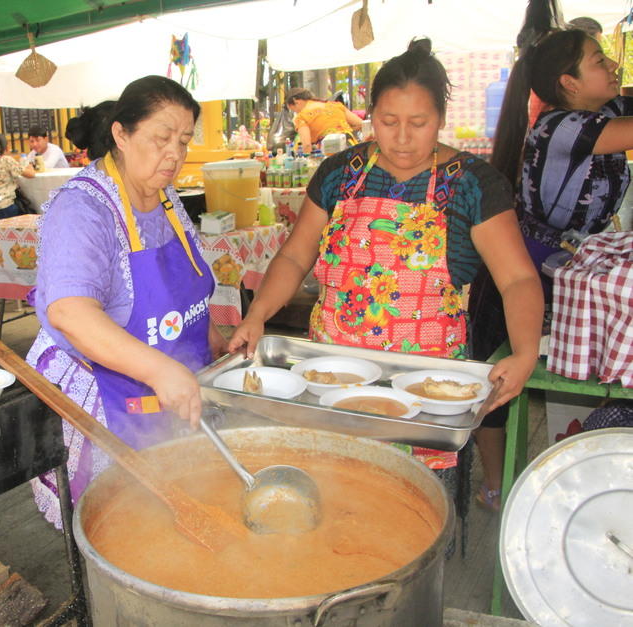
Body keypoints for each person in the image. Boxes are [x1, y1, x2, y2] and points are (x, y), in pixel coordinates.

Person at [228, 39, 544, 513]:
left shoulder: (474, 184)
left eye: (418, 124)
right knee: (332, 499)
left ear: (439, 118)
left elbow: (517, 279)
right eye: (388, 122)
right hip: (333, 370)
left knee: (405, 509)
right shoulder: (339, 174)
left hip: (424, 386)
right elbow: (295, 258)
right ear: (369, 114)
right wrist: (258, 315)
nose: (401, 138)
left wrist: (525, 352)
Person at [25, 76, 226, 527]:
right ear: (121, 134)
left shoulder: (166, 198)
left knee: (179, 513)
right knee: (118, 526)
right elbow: (70, 313)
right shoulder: (82, 210)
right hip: (104, 403)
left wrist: (218, 343)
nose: (173, 154)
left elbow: (185, 293)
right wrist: (160, 369)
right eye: (160, 138)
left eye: (184, 140)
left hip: (169, 398)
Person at [469, 14, 633, 510]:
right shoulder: (560, 126)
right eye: (598, 61)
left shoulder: (607, 109)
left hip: (568, 263)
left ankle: (578, 477)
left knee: (570, 373)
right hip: (521, 263)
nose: (612, 67)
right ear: (568, 83)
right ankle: (497, 486)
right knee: (498, 375)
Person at [286, 87, 363, 150]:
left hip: (331, 153)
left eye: (293, 109)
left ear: (296, 101)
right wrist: (343, 131)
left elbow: (306, 145)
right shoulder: (335, 105)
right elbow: (361, 124)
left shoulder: (301, 117)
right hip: (352, 148)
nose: (295, 112)